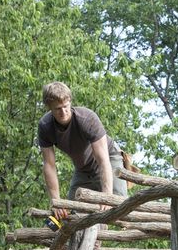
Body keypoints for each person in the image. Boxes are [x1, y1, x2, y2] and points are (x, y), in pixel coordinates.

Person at [38, 81, 127, 220]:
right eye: (57, 109)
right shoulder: (45, 126)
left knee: (117, 207)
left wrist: (106, 196)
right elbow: (49, 165)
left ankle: (97, 240)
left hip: (109, 159)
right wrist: (56, 202)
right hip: (83, 168)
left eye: (66, 106)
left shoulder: (86, 118)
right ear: (49, 107)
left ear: (70, 102)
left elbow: (103, 160)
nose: (63, 112)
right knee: (72, 212)